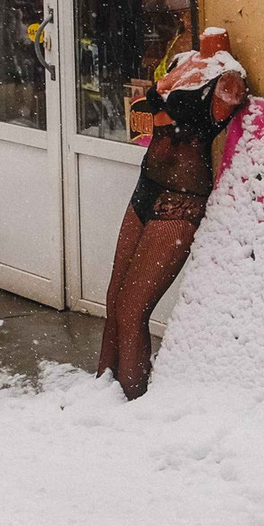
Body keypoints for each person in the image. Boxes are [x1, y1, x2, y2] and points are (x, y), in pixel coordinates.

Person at [96, 22, 246, 399]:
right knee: (114, 297)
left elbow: (204, 116)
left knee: (132, 310)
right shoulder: (184, 59)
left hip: (180, 201)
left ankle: (133, 405)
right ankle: (98, 398)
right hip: (146, 188)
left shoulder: (229, 79)